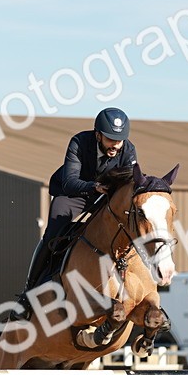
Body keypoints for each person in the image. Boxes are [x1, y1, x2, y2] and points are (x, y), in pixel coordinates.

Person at [14, 107, 138, 313]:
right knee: (53, 230)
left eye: (119, 140)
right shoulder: (79, 143)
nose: (115, 145)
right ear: (98, 135)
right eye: (110, 139)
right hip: (74, 194)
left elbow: (129, 184)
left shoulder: (128, 150)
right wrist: (93, 186)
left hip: (104, 198)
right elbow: (70, 182)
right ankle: (29, 292)